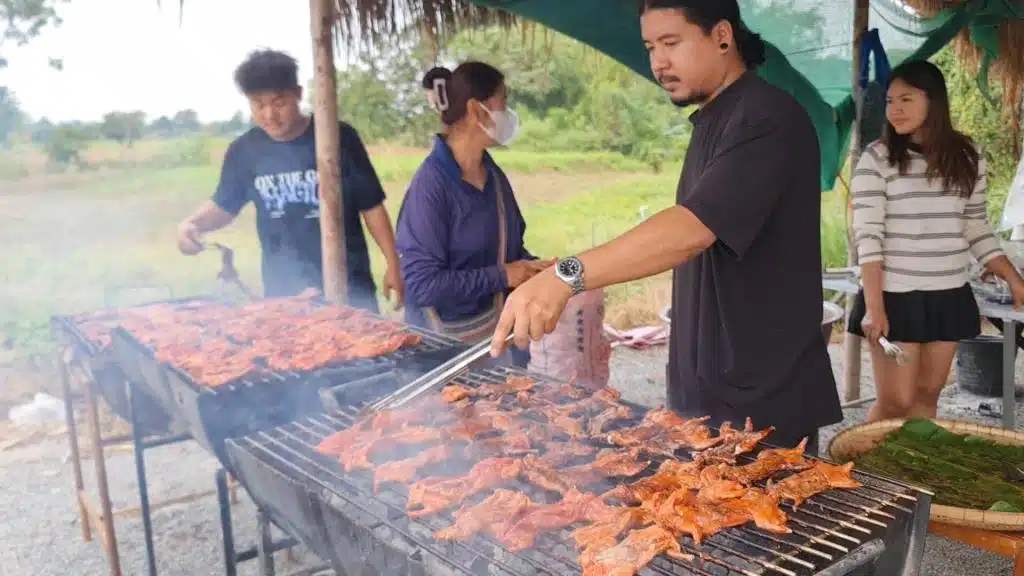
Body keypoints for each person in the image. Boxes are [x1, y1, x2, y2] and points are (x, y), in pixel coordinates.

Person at [488, 0, 841, 454]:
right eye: (651, 46)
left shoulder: (767, 118)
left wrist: (567, 276)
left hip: (762, 409)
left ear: (722, 36)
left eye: (671, 42)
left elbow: (690, 229)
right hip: (711, 397)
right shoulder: (714, 120)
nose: (658, 61)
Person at [849, 59, 1024, 422]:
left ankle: (908, 478)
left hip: (949, 295)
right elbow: (869, 238)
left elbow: (975, 225)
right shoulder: (876, 159)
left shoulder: (967, 156)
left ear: (934, 101)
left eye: (906, 99)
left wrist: (1014, 280)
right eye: (890, 101)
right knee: (895, 403)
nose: (894, 109)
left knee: (927, 399)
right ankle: (868, 475)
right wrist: (875, 306)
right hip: (894, 296)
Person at [175, 49, 403, 312]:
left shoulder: (337, 137)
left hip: (349, 285)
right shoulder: (244, 151)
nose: (270, 114)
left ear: (298, 93)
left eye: (279, 103)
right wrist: (192, 224)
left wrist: (393, 264)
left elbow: (371, 206)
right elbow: (224, 206)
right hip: (283, 291)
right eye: (259, 105)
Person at [396, 62, 551, 354]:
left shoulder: (493, 178)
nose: (509, 115)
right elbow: (422, 284)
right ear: (476, 110)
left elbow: (510, 253)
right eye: (503, 103)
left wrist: (539, 269)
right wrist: (503, 275)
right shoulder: (431, 186)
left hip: (489, 342)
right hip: (437, 352)